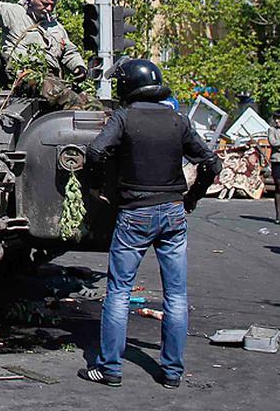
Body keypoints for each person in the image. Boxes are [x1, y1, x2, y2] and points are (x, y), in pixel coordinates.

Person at [80, 59, 221, 390]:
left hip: (135, 213)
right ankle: (172, 372)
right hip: (172, 212)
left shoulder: (124, 118)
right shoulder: (178, 120)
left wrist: (97, 188)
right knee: (176, 295)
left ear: (127, 86)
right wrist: (192, 198)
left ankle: (110, 368)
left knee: (118, 292)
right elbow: (211, 163)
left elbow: (96, 152)